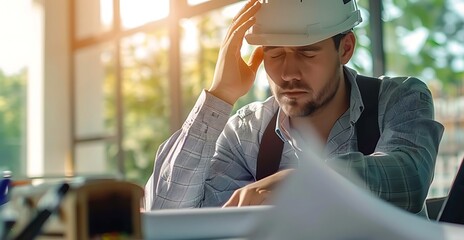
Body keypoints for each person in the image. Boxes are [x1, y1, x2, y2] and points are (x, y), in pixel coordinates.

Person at [144, 0, 444, 216]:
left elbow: (409, 178)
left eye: (307, 53)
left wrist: (305, 182)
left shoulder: (399, 99)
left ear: (346, 48)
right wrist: (220, 96)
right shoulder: (247, 133)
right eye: (274, 55)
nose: (288, 72)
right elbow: (164, 214)